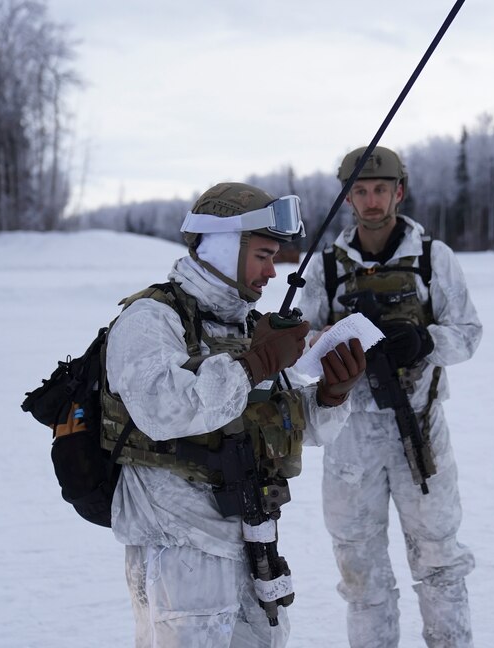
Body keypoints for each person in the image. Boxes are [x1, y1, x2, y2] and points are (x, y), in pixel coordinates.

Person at [103, 181, 366, 648]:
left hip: (251, 537)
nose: (272, 271)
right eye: (263, 255)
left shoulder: (246, 326)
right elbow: (164, 408)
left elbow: (277, 423)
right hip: (179, 544)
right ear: (227, 246)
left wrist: (329, 396)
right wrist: (258, 362)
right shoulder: (150, 319)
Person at [297, 146, 483, 647]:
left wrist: (425, 340)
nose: (372, 200)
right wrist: (332, 342)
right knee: (360, 571)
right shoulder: (325, 267)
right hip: (348, 434)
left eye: (381, 189)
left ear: (399, 192)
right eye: (360, 190)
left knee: (440, 560)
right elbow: (298, 346)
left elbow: (467, 332)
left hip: (420, 429)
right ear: (348, 197)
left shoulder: (431, 257)